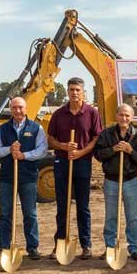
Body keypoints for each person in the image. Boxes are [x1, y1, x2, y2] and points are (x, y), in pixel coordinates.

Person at [47, 77, 103, 260]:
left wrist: (80, 153)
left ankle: (86, 245)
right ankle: (60, 243)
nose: (74, 92)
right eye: (71, 89)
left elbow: (96, 138)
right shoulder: (58, 114)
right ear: (67, 91)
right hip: (62, 163)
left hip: (82, 163)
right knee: (62, 206)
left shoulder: (92, 113)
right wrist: (64, 147)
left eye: (77, 89)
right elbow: (50, 139)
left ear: (83, 92)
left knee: (83, 206)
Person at [0, 96, 48, 261]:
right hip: (7, 177)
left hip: (28, 176)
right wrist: (10, 149)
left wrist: (24, 155)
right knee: (5, 213)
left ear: (26, 108)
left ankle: (33, 247)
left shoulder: (36, 128)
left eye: (20, 107)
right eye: (14, 107)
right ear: (11, 109)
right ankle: (3, 246)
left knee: (30, 213)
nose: (17, 110)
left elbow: (42, 150)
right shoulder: (3, 128)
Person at [93, 103, 137, 261]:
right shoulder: (107, 134)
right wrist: (113, 150)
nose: (124, 118)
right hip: (111, 181)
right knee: (111, 216)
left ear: (132, 117)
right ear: (116, 116)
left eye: (127, 115)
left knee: (133, 216)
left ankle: (134, 247)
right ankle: (110, 246)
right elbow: (97, 154)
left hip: (130, 180)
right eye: (121, 115)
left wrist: (131, 151)